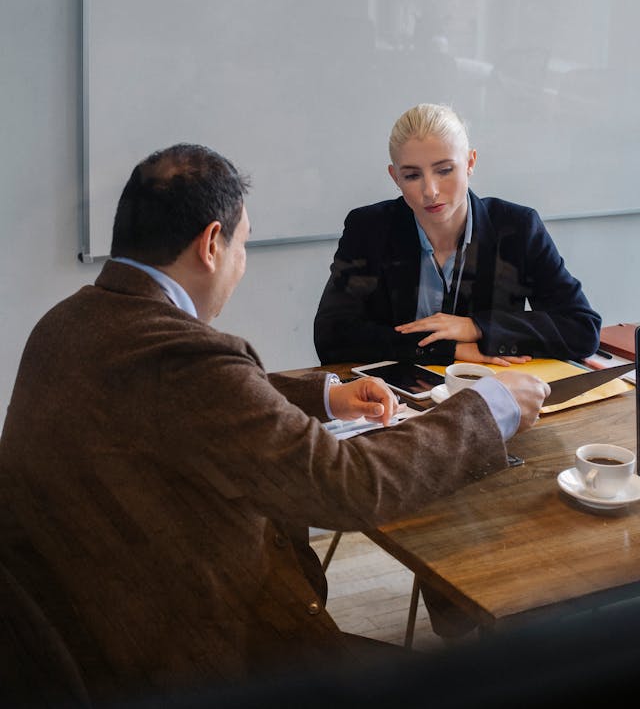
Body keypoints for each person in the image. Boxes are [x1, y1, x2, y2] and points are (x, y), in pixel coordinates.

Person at [0, 144, 549, 705]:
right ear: (211, 244)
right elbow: (350, 485)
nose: (243, 262)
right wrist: (488, 406)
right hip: (204, 658)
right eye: (244, 243)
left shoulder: (66, 323)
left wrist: (327, 395)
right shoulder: (188, 362)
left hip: (91, 635)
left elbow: (169, 402)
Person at [314, 103, 601, 368]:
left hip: (491, 394)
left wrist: (476, 326)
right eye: (412, 176)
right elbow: (331, 338)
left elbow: (581, 328)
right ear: (395, 177)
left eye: (444, 170)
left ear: (470, 163)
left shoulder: (517, 227)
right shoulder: (369, 227)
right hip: (395, 399)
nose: (430, 191)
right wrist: (446, 349)